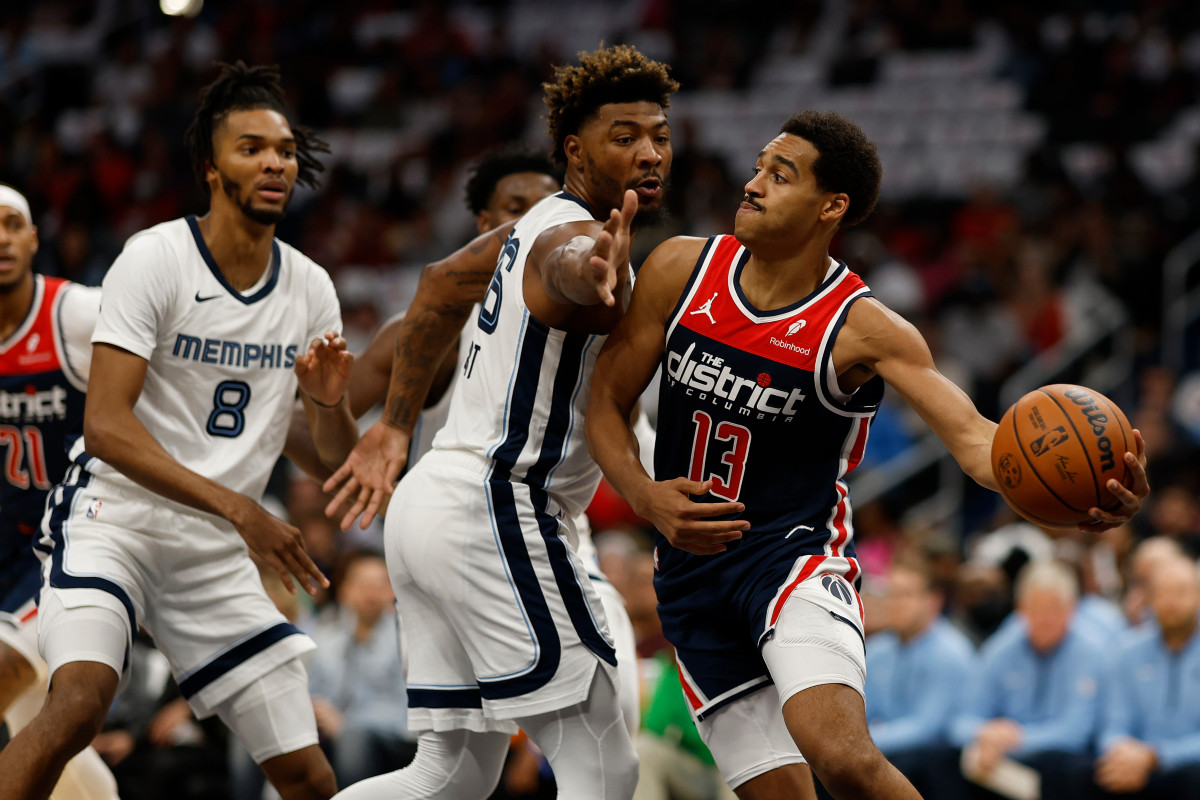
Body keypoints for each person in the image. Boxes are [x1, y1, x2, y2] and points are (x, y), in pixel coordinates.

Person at [584, 110, 1149, 799]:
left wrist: (1080, 501)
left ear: (832, 206)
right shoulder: (680, 268)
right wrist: (644, 497)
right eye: (760, 165)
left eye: (780, 174)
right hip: (689, 582)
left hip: (790, 561)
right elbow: (604, 406)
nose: (754, 183)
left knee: (841, 755)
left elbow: (977, 441)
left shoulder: (863, 328)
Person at [323, 44, 677, 800]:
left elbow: (438, 282)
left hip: (434, 505)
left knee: (449, 776)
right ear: (577, 150)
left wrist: (392, 425)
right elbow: (566, 263)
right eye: (626, 136)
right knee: (604, 764)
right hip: (499, 506)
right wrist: (592, 268)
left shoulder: (528, 223)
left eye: (660, 135)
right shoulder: (569, 233)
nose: (649, 153)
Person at [0, 62, 358, 800]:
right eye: (251, 147)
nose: (273, 163)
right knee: (76, 707)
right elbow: (103, 426)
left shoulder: (311, 287)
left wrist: (328, 404)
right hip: (114, 520)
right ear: (211, 167)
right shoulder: (156, 257)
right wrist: (242, 510)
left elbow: (331, 457)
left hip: (213, 551)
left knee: (308, 775)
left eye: (285, 150)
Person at [341, 146, 642, 738]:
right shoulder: (428, 330)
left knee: (454, 774)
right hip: (491, 523)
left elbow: (631, 430)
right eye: (518, 210)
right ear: (489, 226)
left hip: (523, 531)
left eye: (549, 208)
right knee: (601, 748)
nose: (540, 221)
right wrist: (374, 432)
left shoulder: (581, 316)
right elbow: (325, 443)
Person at [0, 185, 120, 800]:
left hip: (50, 549)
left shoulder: (73, 313)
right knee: (39, 738)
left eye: (11, 224)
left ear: (32, 239)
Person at [950, 561, 1106, 799]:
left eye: (1054, 608)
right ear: (1020, 609)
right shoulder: (1001, 648)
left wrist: (1015, 739)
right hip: (1002, 759)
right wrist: (984, 734)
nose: (1045, 618)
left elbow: (1076, 733)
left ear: (1072, 609)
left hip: (1058, 761)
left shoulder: (1091, 652)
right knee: (951, 759)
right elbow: (961, 722)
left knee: (1067, 766)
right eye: (1035, 608)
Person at [864, 553, 973, 800]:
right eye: (891, 593)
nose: (895, 602)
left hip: (937, 763)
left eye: (905, 594)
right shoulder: (876, 650)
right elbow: (861, 713)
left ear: (933, 601)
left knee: (909, 761)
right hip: (887, 748)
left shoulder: (951, 652)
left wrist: (864, 743)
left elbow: (927, 728)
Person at [309, 550, 418, 787]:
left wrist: (345, 724)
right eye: (362, 584)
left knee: (353, 739)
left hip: (390, 736)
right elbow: (313, 689)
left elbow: (405, 711)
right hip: (333, 732)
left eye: (379, 585)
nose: (371, 593)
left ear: (392, 592)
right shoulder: (327, 635)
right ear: (344, 590)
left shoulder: (407, 640)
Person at [1095, 556, 1200, 798]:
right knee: (1082, 772)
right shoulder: (1127, 650)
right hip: (1136, 767)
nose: (1171, 602)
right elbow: (1113, 725)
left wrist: (1157, 756)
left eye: (1181, 592)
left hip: (1187, 766)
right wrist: (1121, 752)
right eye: (1163, 593)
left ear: (1198, 595)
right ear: (1149, 599)